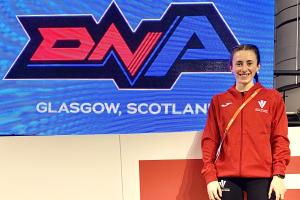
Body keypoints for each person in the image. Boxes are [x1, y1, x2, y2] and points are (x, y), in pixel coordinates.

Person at [201, 44, 290, 200]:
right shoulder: (218, 101)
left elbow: (280, 139)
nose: (244, 69)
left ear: (258, 66)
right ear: (231, 67)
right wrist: (210, 177)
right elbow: (210, 141)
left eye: (249, 63)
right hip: (227, 175)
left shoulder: (273, 98)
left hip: (262, 175)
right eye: (239, 63)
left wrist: (279, 175)